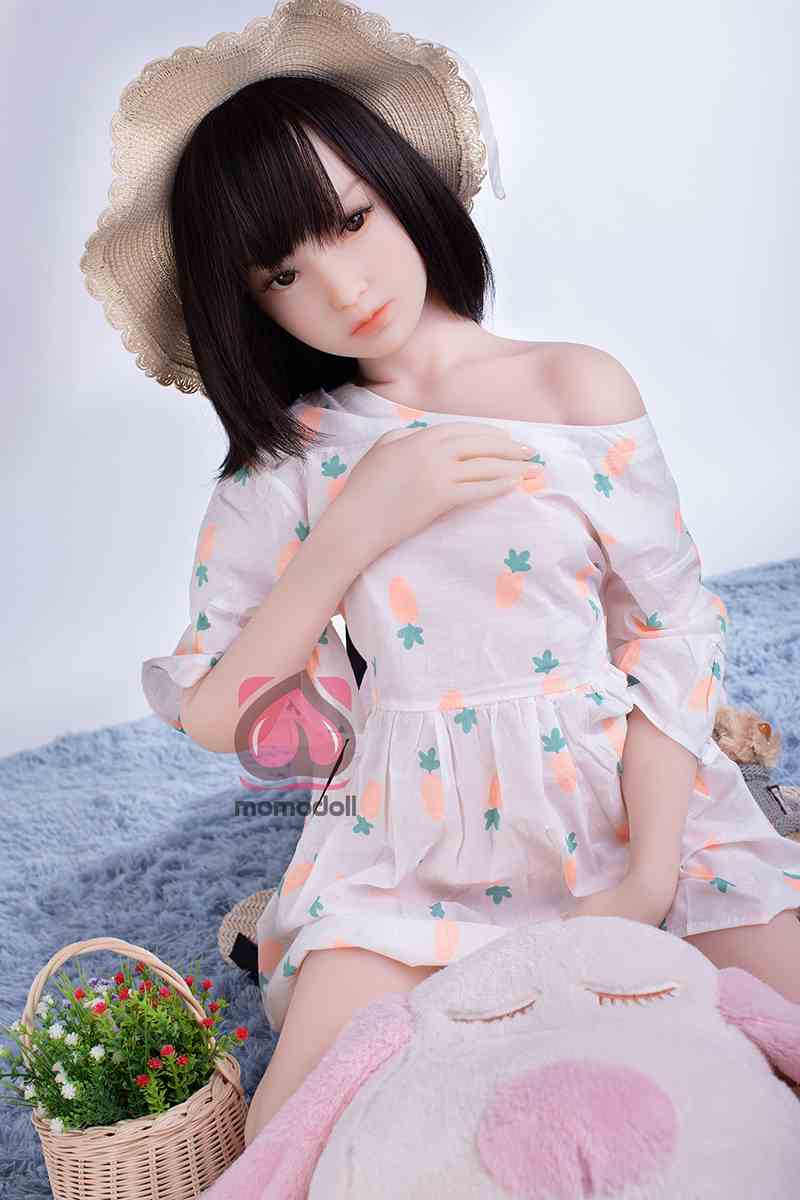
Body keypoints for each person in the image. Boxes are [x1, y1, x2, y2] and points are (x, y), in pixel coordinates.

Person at [81, 2, 800, 1148]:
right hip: (410, 843)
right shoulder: (287, 467)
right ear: (249, 303)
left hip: (621, 798)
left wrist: (647, 878)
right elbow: (219, 713)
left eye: (351, 219)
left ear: (401, 189)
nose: (340, 285)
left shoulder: (574, 387)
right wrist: (350, 529)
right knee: (292, 1138)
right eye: (282, 271)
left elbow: (668, 632)